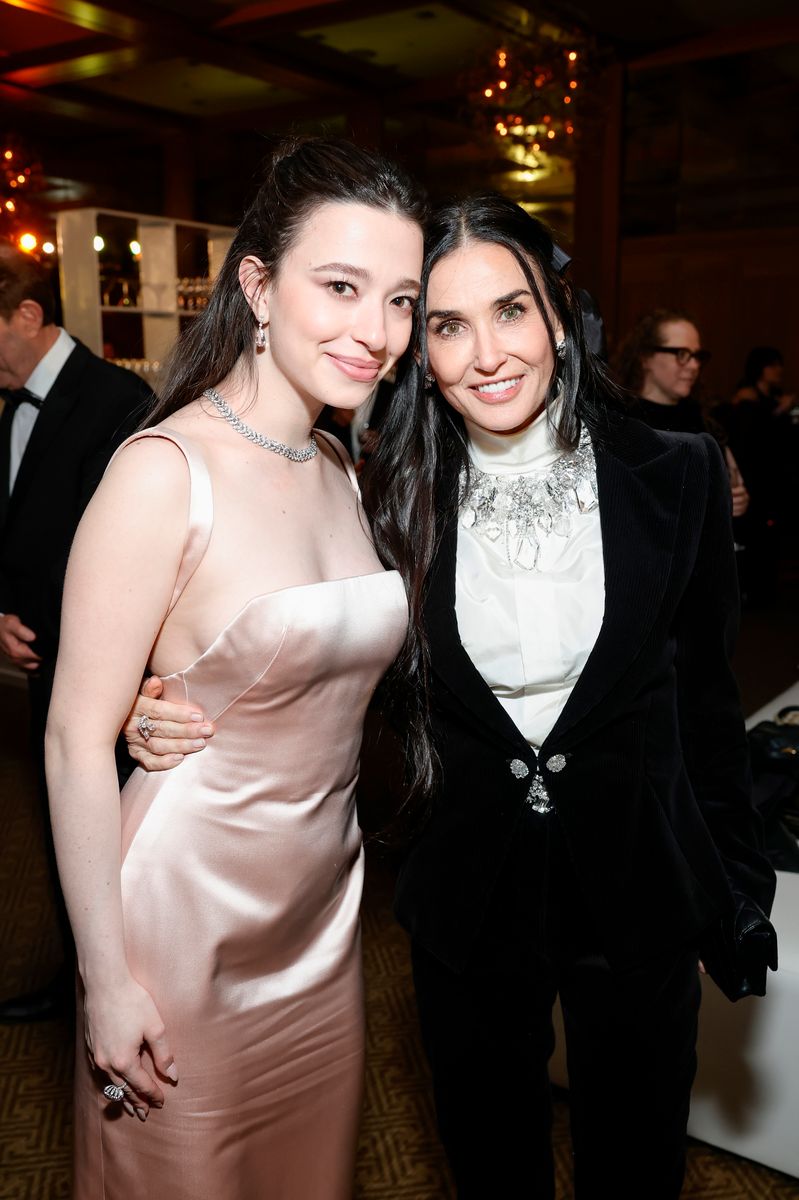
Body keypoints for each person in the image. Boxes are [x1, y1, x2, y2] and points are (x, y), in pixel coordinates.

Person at [123, 195, 777, 1198]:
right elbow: (291, 646)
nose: (487, 354)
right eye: (447, 325)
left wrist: (730, 894)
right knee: (488, 1168)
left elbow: (706, 708)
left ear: (557, 316)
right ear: (416, 350)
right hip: (467, 896)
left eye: (510, 312)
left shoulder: (677, 473)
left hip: (639, 885)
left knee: (637, 1168)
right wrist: (157, 703)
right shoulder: (380, 495)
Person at [45, 137, 425, 1200]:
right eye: (341, 287)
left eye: (399, 299)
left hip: (321, 920)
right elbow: (75, 736)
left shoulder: (343, 467)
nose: (376, 332)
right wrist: (105, 980)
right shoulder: (163, 472)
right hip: (182, 924)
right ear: (258, 284)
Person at [0, 243, 151, 1022]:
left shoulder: (116, 399)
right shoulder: (10, 399)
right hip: (36, 659)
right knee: (64, 830)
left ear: (27, 315)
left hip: (106, 675)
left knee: (116, 840)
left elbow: (117, 559)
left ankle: (121, 990)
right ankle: (75, 984)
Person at [613, 307, 749, 518]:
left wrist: (734, 499)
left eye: (697, 356)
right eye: (682, 354)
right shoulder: (618, 423)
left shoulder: (704, 423)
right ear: (645, 358)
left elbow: (726, 492)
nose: (694, 365)